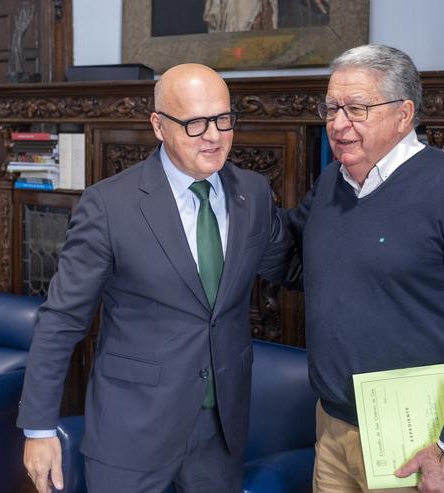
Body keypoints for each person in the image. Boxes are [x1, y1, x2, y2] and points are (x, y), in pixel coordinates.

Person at [18, 63, 292, 493]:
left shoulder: (253, 192)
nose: (214, 136)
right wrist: (38, 428)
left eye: (223, 119)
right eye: (196, 123)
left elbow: (290, 262)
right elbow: (61, 320)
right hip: (131, 435)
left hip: (220, 435)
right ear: (159, 125)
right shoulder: (108, 206)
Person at [287, 44, 444, 493]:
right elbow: (293, 257)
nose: (338, 124)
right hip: (333, 428)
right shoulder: (330, 183)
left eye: (356, 109)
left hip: (423, 443)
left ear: (404, 114)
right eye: (332, 108)